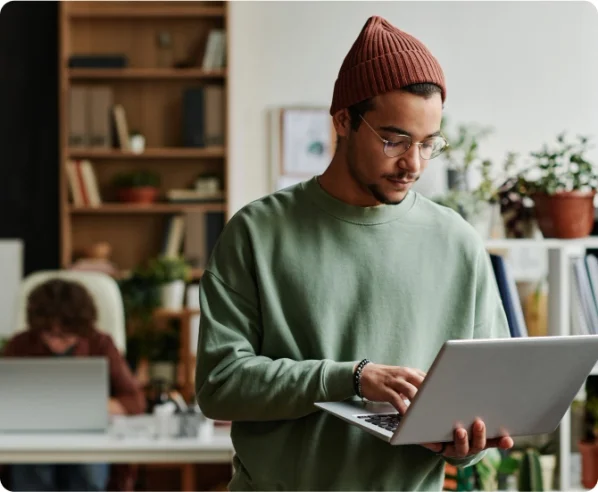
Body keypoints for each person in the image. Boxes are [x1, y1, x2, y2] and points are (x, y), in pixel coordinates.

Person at [195, 15, 514, 491]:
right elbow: (219, 385)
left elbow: (488, 400)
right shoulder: (257, 232)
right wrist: (351, 378)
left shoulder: (458, 242)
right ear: (343, 120)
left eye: (429, 144)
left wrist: (467, 445)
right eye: (395, 140)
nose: (413, 164)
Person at [2, 278, 146, 491]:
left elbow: (135, 401)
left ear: (81, 329)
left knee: (88, 469)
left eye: (66, 336)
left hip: (87, 439)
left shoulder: (100, 344)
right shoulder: (20, 345)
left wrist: (90, 406)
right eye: (49, 335)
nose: (57, 343)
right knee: (33, 468)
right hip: (35, 439)